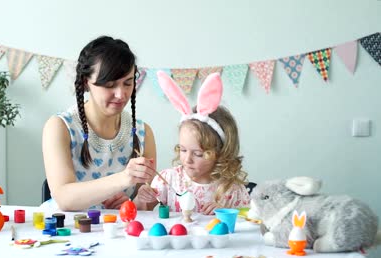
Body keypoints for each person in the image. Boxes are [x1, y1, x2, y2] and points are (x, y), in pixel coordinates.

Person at [42, 36, 157, 211]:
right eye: (110, 85)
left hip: (116, 230)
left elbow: (147, 202)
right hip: (66, 229)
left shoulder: (142, 132)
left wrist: (132, 204)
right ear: (85, 82)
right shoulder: (60, 127)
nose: (121, 94)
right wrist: (123, 179)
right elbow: (64, 198)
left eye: (128, 83)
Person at [134, 71, 250, 214]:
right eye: (183, 150)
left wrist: (225, 213)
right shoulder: (169, 180)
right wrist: (141, 199)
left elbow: (250, 225)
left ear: (221, 153)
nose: (187, 159)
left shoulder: (233, 190)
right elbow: (140, 214)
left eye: (198, 153)